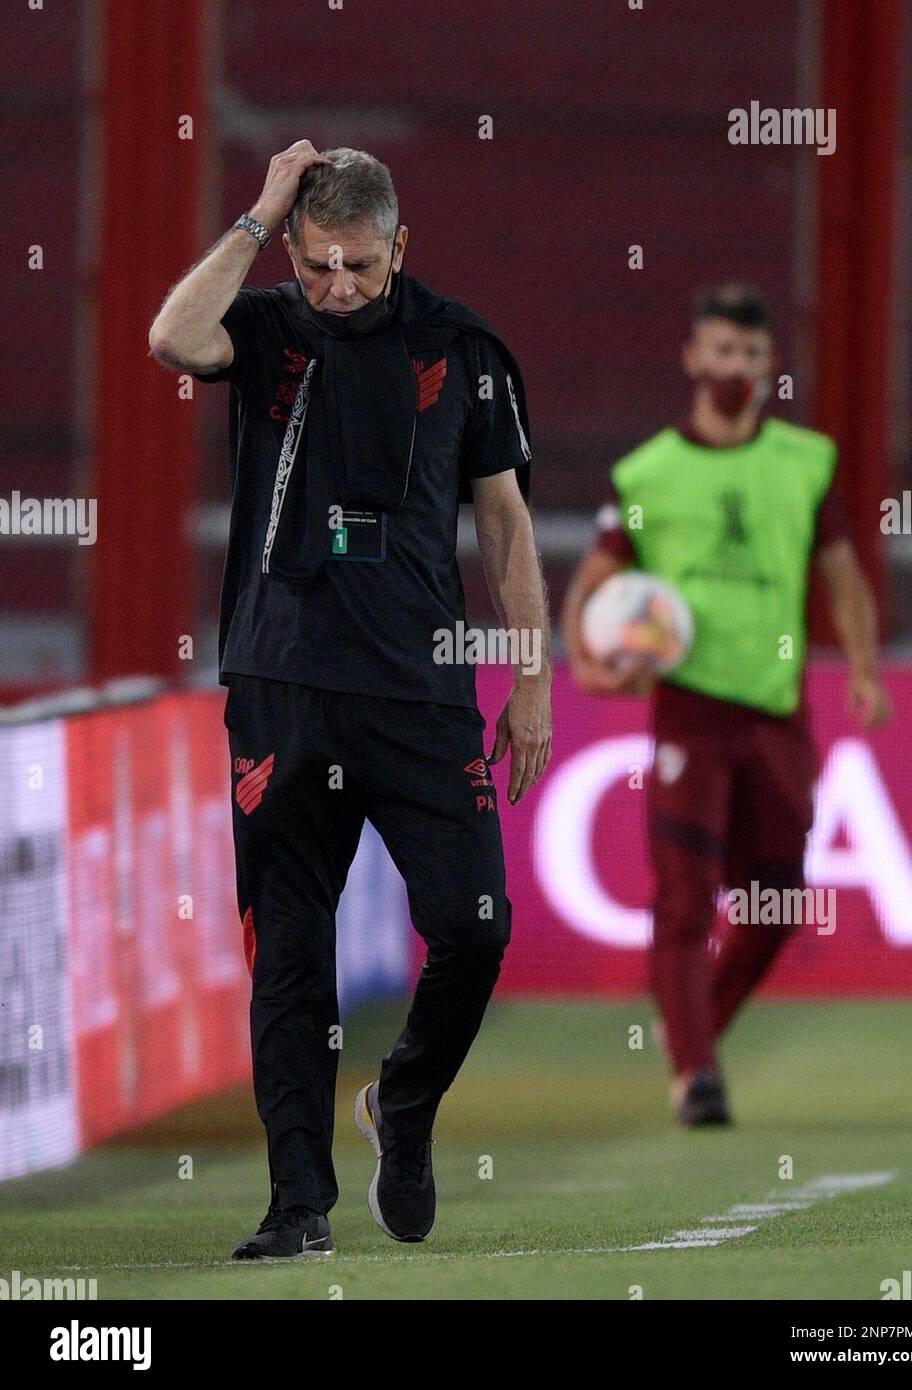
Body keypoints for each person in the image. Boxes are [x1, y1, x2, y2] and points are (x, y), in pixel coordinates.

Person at [149, 141, 552, 1255]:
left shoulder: (463, 350)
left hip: (420, 692)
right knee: (288, 952)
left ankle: (405, 1104)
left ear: (400, 248)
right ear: (293, 245)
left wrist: (530, 676)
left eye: (361, 268)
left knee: (474, 928)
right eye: (319, 261)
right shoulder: (267, 325)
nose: (337, 286)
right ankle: (297, 1208)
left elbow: (507, 528)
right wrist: (259, 208)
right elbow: (171, 337)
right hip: (282, 687)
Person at [561, 284, 890, 1126]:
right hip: (688, 712)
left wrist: (862, 666)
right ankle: (694, 1073)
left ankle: (692, 1028)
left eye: (747, 354)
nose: (732, 367)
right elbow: (593, 583)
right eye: (719, 351)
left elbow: (842, 578)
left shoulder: (804, 462)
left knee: (776, 903)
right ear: (692, 359)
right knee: (683, 898)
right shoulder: (647, 473)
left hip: (777, 712)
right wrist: (589, 660)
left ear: (767, 365)